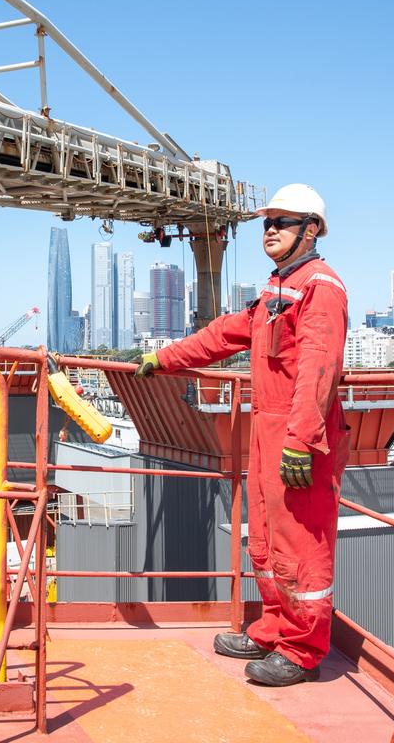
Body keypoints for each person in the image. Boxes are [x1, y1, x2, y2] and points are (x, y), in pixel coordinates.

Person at [135, 184, 349, 687]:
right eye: (266, 223)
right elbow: (224, 334)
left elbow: (318, 369)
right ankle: (274, 629)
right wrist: (163, 358)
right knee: (267, 541)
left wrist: (299, 439)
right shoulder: (277, 289)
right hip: (267, 429)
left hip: (301, 436)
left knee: (301, 542)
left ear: (311, 229)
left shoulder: (322, 286)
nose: (269, 231)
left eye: (282, 222)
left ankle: (302, 650)